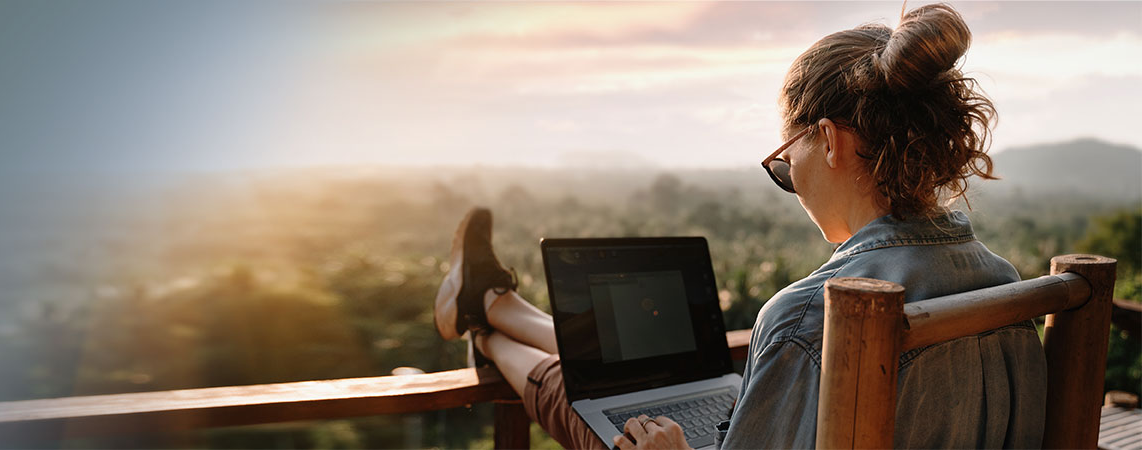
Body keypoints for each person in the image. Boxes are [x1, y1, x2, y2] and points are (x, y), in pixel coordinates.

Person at [432, 4, 1044, 449]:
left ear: (828, 141)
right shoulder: (1006, 286)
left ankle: (485, 326)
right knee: (612, 381)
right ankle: (494, 305)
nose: (790, 181)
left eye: (785, 162)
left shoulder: (813, 318)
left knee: (582, 396)